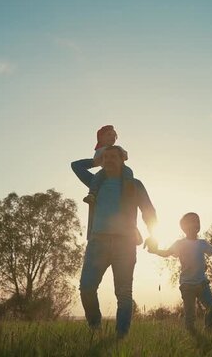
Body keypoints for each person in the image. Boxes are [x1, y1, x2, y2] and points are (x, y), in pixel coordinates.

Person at [71, 145, 157, 338]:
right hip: (97, 243)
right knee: (86, 288)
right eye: (105, 157)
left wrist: (153, 235)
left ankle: (121, 336)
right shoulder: (95, 182)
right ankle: (95, 327)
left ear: (122, 160)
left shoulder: (134, 184)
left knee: (124, 293)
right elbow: (75, 166)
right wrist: (95, 161)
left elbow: (149, 211)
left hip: (125, 245)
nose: (108, 159)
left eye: (113, 156)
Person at [147, 212, 212, 333]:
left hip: (202, 283)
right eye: (192, 222)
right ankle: (192, 334)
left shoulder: (202, 243)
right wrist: (154, 251)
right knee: (190, 314)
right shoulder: (180, 244)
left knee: (211, 306)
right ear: (184, 228)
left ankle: (210, 330)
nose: (196, 224)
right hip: (187, 285)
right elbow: (166, 253)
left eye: (197, 221)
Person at [83, 125, 134, 204]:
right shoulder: (100, 150)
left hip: (120, 168)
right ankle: (92, 194)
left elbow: (126, 156)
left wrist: (120, 155)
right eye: (109, 135)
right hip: (106, 170)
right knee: (97, 178)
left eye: (114, 135)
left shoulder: (118, 148)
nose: (112, 137)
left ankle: (128, 185)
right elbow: (96, 160)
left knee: (128, 171)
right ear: (101, 138)